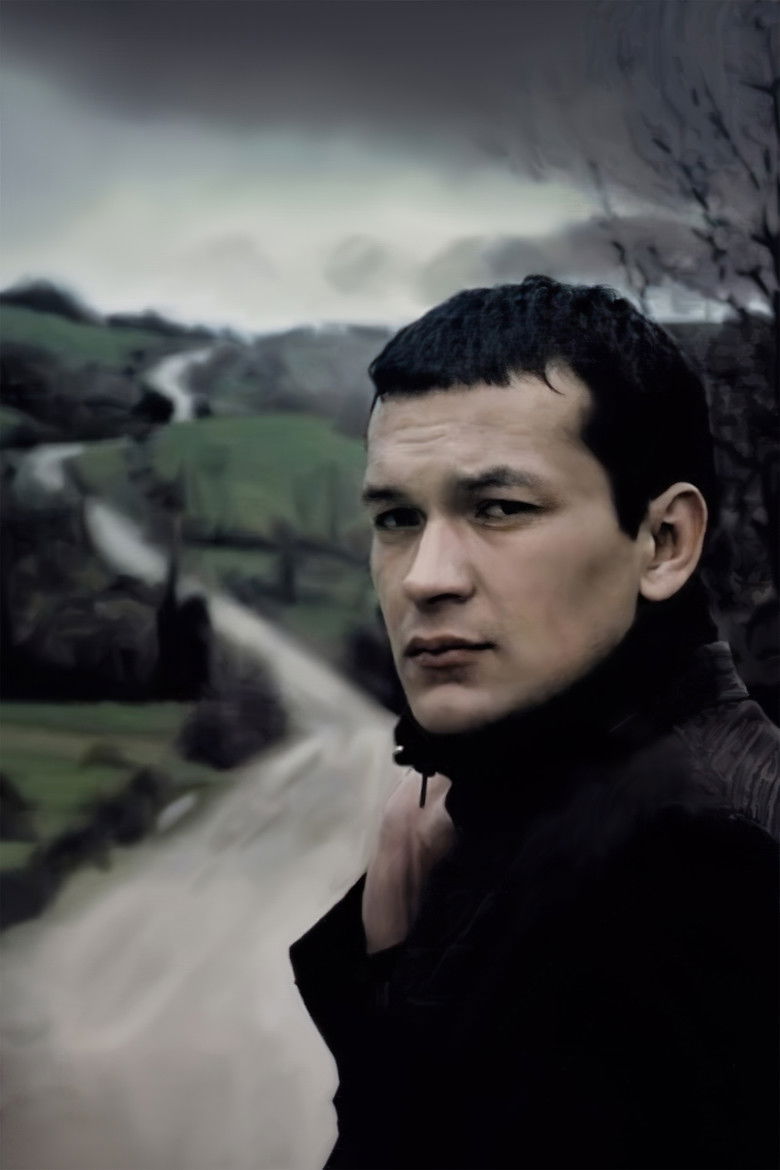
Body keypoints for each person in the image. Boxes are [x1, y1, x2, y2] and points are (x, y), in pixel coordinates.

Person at [290, 276, 779, 1170]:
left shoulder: (705, 866)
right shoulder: (533, 812)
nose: (424, 576)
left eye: (499, 509)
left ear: (664, 542)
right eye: (397, 518)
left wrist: (397, 977)